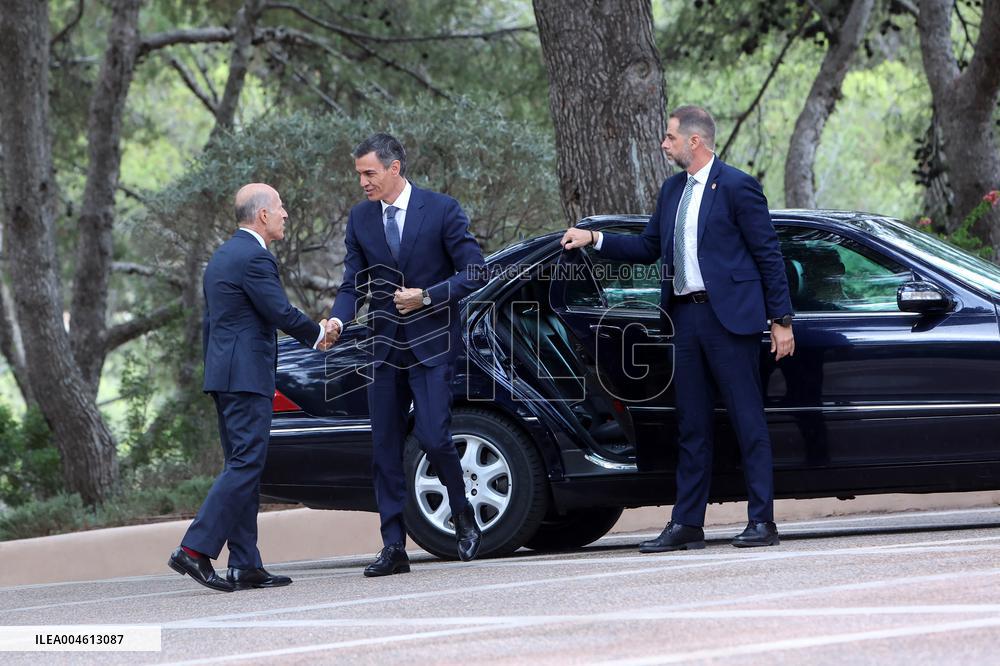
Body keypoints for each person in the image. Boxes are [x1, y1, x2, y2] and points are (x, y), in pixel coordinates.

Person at [561, 105, 795, 551]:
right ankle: (687, 524)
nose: (664, 145)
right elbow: (650, 247)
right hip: (685, 319)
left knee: (748, 422)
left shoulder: (739, 187)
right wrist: (596, 239)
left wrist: (781, 321)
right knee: (692, 426)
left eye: (669, 137)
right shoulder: (672, 191)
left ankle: (762, 521)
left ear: (694, 141)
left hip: (731, 322)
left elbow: (769, 256)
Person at [325, 133, 487, 576]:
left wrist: (429, 297)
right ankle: (393, 547)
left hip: (432, 345)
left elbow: (475, 272)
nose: (362, 182)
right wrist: (338, 320)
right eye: (359, 174)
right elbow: (350, 283)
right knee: (384, 449)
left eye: (369, 173)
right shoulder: (360, 219)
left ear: (395, 169)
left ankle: (464, 515)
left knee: (434, 438)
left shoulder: (441, 209)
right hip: (383, 350)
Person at [168, 183, 334, 592]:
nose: (285, 214)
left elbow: (217, 326)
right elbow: (277, 310)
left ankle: (245, 563)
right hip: (246, 378)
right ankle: (194, 550)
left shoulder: (222, 256)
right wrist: (318, 334)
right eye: (280, 207)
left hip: (225, 378)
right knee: (246, 464)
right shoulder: (256, 258)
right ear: (262, 215)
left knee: (242, 464)